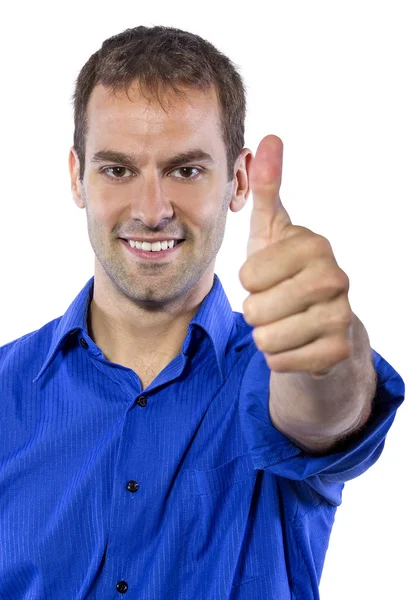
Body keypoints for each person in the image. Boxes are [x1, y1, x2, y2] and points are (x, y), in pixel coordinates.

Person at [0, 25, 404, 600]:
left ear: (238, 181)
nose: (151, 210)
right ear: (77, 177)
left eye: (185, 171)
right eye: (117, 170)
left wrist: (322, 351)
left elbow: (324, 411)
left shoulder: (267, 376)